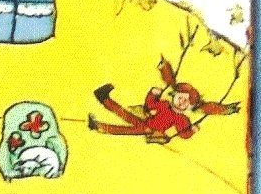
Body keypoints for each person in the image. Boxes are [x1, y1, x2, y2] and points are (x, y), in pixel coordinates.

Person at [87, 58, 239, 143]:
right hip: (146, 122)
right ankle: (104, 99)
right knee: (124, 115)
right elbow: (150, 105)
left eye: (186, 102)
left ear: (189, 106)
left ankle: (99, 124)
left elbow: (183, 134)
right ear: (175, 95)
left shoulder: (181, 119)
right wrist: (153, 94)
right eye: (181, 98)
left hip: (151, 130)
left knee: (124, 128)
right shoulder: (165, 104)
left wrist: (192, 129)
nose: (181, 102)